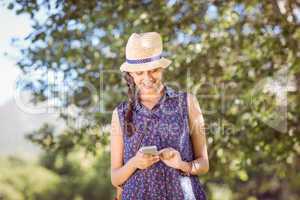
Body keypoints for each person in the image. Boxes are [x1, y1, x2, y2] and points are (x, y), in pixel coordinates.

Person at [110, 32, 209, 200]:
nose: (147, 78)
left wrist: (182, 164)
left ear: (162, 68)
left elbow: (204, 164)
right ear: (131, 75)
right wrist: (135, 163)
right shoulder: (119, 114)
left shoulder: (187, 103)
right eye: (139, 73)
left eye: (153, 70)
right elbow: (115, 177)